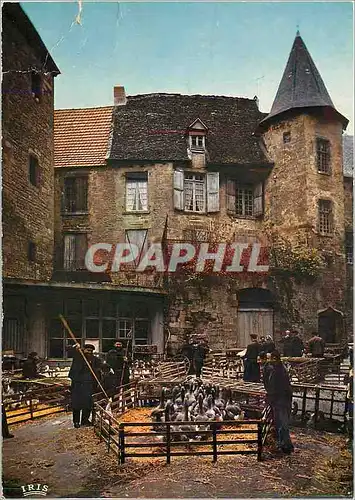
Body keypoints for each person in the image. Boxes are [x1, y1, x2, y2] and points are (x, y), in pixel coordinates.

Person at [263, 350, 294, 454]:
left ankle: (287, 446)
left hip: (281, 400)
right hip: (283, 399)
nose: (268, 361)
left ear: (274, 358)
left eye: (270, 358)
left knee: (282, 423)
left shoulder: (277, 371)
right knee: (281, 422)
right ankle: (283, 444)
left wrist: (270, 397)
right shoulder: (279, 368)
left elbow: (274, 387)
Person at [68, 343, 103, 428]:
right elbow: (69, 350)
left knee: (88, 404)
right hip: (78, 384)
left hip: (89, 384)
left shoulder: (94, 359)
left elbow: (101, 365)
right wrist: (75, 347)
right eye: (87, 350)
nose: (89, 352)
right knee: (77, 403)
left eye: (91, 351)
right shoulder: (78, 357)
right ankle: (76, 421)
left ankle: (85, 420)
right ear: (83, 350)